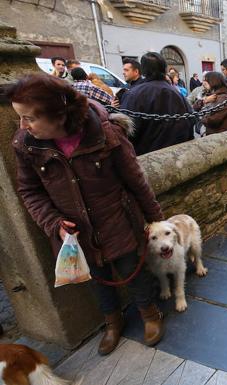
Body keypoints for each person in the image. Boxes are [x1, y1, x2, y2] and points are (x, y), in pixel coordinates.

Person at [8, 73, 165, 356]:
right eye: (20, 118)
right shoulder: (26, 144)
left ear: (58, 115)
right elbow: (29, 191)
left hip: (117, 220)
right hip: (74, 232)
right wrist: (52, 222)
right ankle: (112, 321)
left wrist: (155, 220)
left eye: (29, 118)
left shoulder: (106, 133)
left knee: (133, 270)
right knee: (95, 276)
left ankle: (149, 312)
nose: (22, 126)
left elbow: (135, 180)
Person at [120, 52, 194, 155]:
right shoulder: (176, 93)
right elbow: (190, 122)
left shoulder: (134, 94)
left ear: (143, 70)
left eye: (126, 70)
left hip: (147, 155)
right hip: (177, 153)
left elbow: (125, 132)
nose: (123, 72)